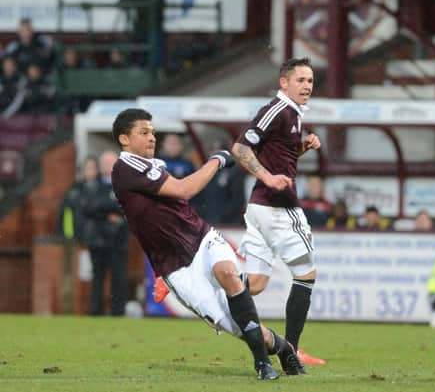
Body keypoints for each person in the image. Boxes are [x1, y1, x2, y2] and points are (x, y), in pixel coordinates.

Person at [110, 108, 302, 379]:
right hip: (177, 267)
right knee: (238, 326)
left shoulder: (153, 165)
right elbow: (183, 190)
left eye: (152, 132)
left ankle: (262, 364)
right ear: (124, 139)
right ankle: (282, 348)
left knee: (228, 274)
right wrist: (217, 160)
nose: (152, 137)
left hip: (200, 238)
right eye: (144, 132)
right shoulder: (126, 169)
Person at [232, 57, 324, 369]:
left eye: (310, 81)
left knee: (255, 282)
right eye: (301, 80)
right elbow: (241, 148)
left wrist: (302, 148)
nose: (307, 86)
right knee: (306, 274)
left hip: (260, 207)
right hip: (278, 206)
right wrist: (269, 178)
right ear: (284, 82)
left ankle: (201, 282)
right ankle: (291, 352)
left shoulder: (293, 115)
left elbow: (277, 155)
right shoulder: (277, 109)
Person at [79, 150, 129, 316]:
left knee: (119, 278)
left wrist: (105, 208)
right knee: (98, 278)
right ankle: (95, 311)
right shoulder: (92, 185)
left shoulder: (125, 184)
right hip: (99, 239)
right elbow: (88, 208)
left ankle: (118, 312)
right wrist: (108, 213)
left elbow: (129, 208)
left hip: (119, 240)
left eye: (110, 163)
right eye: (105, 163)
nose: (107, 166)